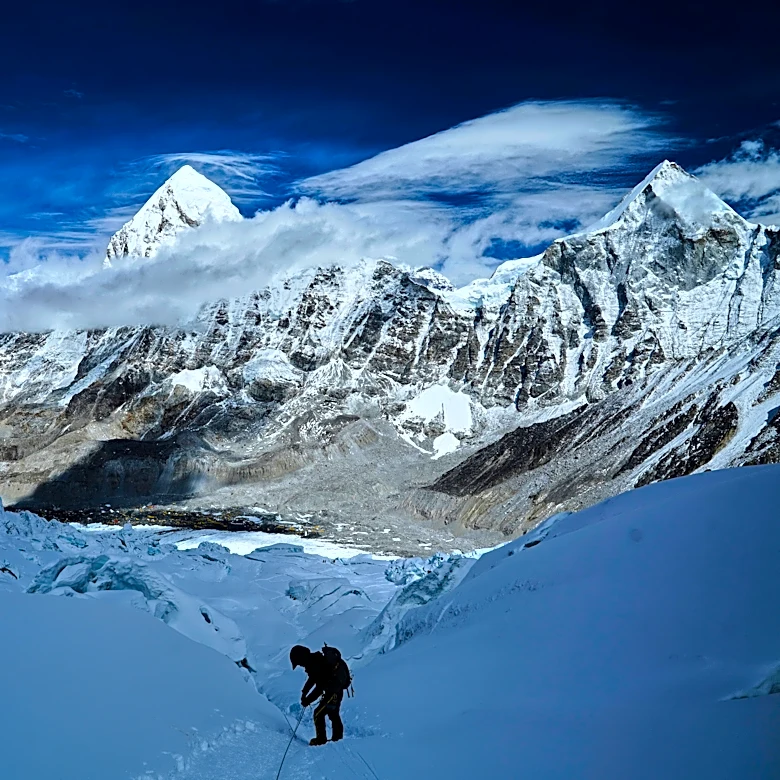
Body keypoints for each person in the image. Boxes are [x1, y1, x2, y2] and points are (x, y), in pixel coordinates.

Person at [290, 644, 348, 746]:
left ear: (301, 658)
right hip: (335, 691)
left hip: (333, 693)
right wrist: (304, 693)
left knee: (318, 714)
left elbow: (319, 688)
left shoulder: (314, 664)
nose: (300, 665)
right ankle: (337, 739)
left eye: (299, 663)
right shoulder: (314, 661)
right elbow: (313, 679)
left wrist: (307, 700)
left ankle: (322, 740)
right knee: (333, 714)